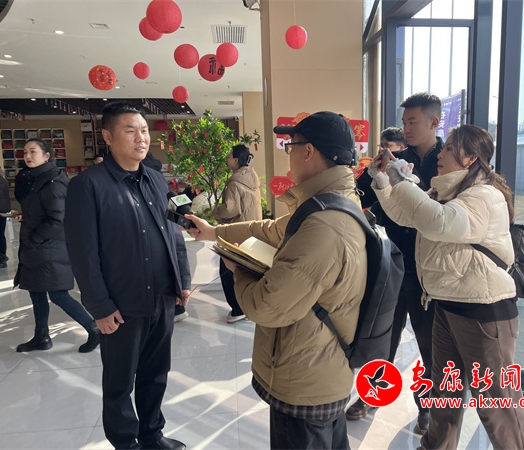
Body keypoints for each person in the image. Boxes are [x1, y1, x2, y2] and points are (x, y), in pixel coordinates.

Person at [185, 112, 367, 450]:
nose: (289, 154)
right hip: (320, 368)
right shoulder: (332, 203)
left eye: (290, 146)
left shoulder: (324, 225)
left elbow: (266, 306)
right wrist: (214, 233)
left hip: (304, 379)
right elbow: (269, 229)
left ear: (309, 151)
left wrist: (238, 268)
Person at [370, 124, 524, 449]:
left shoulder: (483, 196)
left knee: (496, 403)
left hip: (484, 311)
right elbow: (408, 215)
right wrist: (384, 181)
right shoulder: (446, 192)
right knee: (444, 394)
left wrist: (401, 179)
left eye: (449, 148)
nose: (441, 153)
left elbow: (439, 222)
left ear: (470, 158)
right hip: (447, 304)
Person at [64, 101, 191, 450]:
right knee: (120, 382)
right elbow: (83, 253)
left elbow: (174, 233)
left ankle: (152, 434)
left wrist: (183, 280)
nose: (141, 138)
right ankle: (125, 442)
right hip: (121, 304)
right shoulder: (87, 186)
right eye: (130, 130)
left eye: (144, 130)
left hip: (162, 297)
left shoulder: (156, 179)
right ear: (107, 137)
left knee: (156, 374)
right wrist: (100, 306)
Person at [347, 93, 443, 433]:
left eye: (412, 121)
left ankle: (428, 407)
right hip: (392, 260)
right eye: (404, 122)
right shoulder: (394, 159)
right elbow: (360, 195)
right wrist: (371, 171)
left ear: (434, 122)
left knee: (430, 343)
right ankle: (371, 395)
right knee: (382, 335)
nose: (407, 128)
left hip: (430, 268)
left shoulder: (447, 160)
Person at [11, 138, 100, 353]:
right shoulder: (38, 179)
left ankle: (94, 329)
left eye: (33, 151)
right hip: (40, 248)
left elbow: (58, 220)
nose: (27, 156)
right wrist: (26, 217)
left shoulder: (52, 183)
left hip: (48, 248)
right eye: (25, 152)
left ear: (46, 156)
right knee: (36, 292)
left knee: (58, 294)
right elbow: (44, 212)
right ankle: (41, 337)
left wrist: (34, 239)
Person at [212, 144, 262, 323]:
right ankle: (247, 306)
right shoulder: (252, 179)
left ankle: (238, 309)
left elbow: (230, 209)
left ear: (235, 160)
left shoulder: (234, 183)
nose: (227, 160)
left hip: (235, 233)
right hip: (252, 232)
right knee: (245, 271)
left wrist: (216, 211)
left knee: (227, 271)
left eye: (229, 156)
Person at [143, 150, 189, 323]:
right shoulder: (162, 181)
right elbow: (172, 214)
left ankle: (177, 307)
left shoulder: (146, 181)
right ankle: (178, 307)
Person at [0, 162, 11, 268]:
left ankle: (1, 257)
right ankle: (2, 257)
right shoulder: (3, 180)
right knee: (0, 235)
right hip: (2, 212)